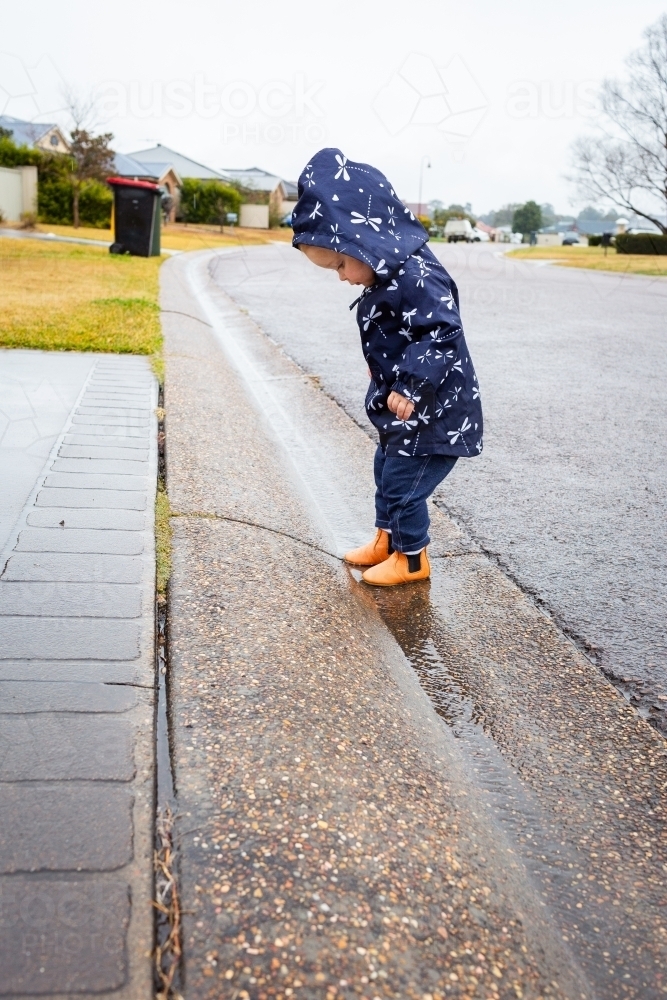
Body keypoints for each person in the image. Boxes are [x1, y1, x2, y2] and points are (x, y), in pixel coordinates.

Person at [292, 148, 483, 587]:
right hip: (407, 410)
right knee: (385, 471)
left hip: (434, 412)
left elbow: (439, 333)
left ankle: (412, 559)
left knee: (404, 485)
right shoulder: (386, 272)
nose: (341, 276)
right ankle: (387, 540)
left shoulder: (417, 275)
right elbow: (397, 333)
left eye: (341, 263)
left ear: (367, 241)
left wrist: (412, 384)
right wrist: (384, 371)